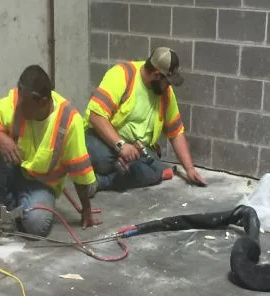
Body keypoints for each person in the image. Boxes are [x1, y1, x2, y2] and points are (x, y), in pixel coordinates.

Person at [0, 65, 100, 236]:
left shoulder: (68, 120)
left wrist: (86, 210)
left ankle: (19, 208)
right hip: (13, 172)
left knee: (37, 226)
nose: (19, 106)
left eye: (25, 103)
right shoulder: (16, 102)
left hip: (41, 185)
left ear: (43, 102)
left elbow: (79, 171)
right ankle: (4, 208)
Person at [83, 47, 207, 194]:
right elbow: (96, 116)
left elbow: (176, 132)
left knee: (156, 169)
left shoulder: (165, 93)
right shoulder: (123, 75)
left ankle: (100, 181)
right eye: (167, 82)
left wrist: (190, 169)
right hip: (104, 140)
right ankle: (120, 169)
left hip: (137, 150)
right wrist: (121, 146)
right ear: (156, 75)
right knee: (101, 159)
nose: (169, 86)